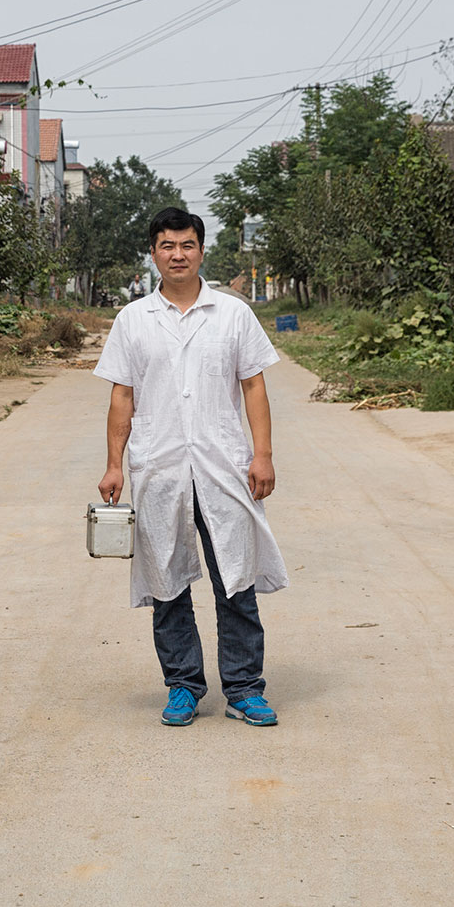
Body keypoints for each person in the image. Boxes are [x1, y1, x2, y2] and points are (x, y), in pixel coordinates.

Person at [94, 207, 285, 727]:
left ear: (202, 249)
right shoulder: (133, 320)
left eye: (186, 245)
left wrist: (262, 454)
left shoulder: (233, 314)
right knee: (167, 584)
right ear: (153, 254)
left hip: (224, 466)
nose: (177, 254)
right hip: (160, 468)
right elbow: (122, 396)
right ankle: (183, 686)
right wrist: (114, 465)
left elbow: (254, 387)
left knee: (236, 579)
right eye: (166, 246)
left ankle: (245, 688)